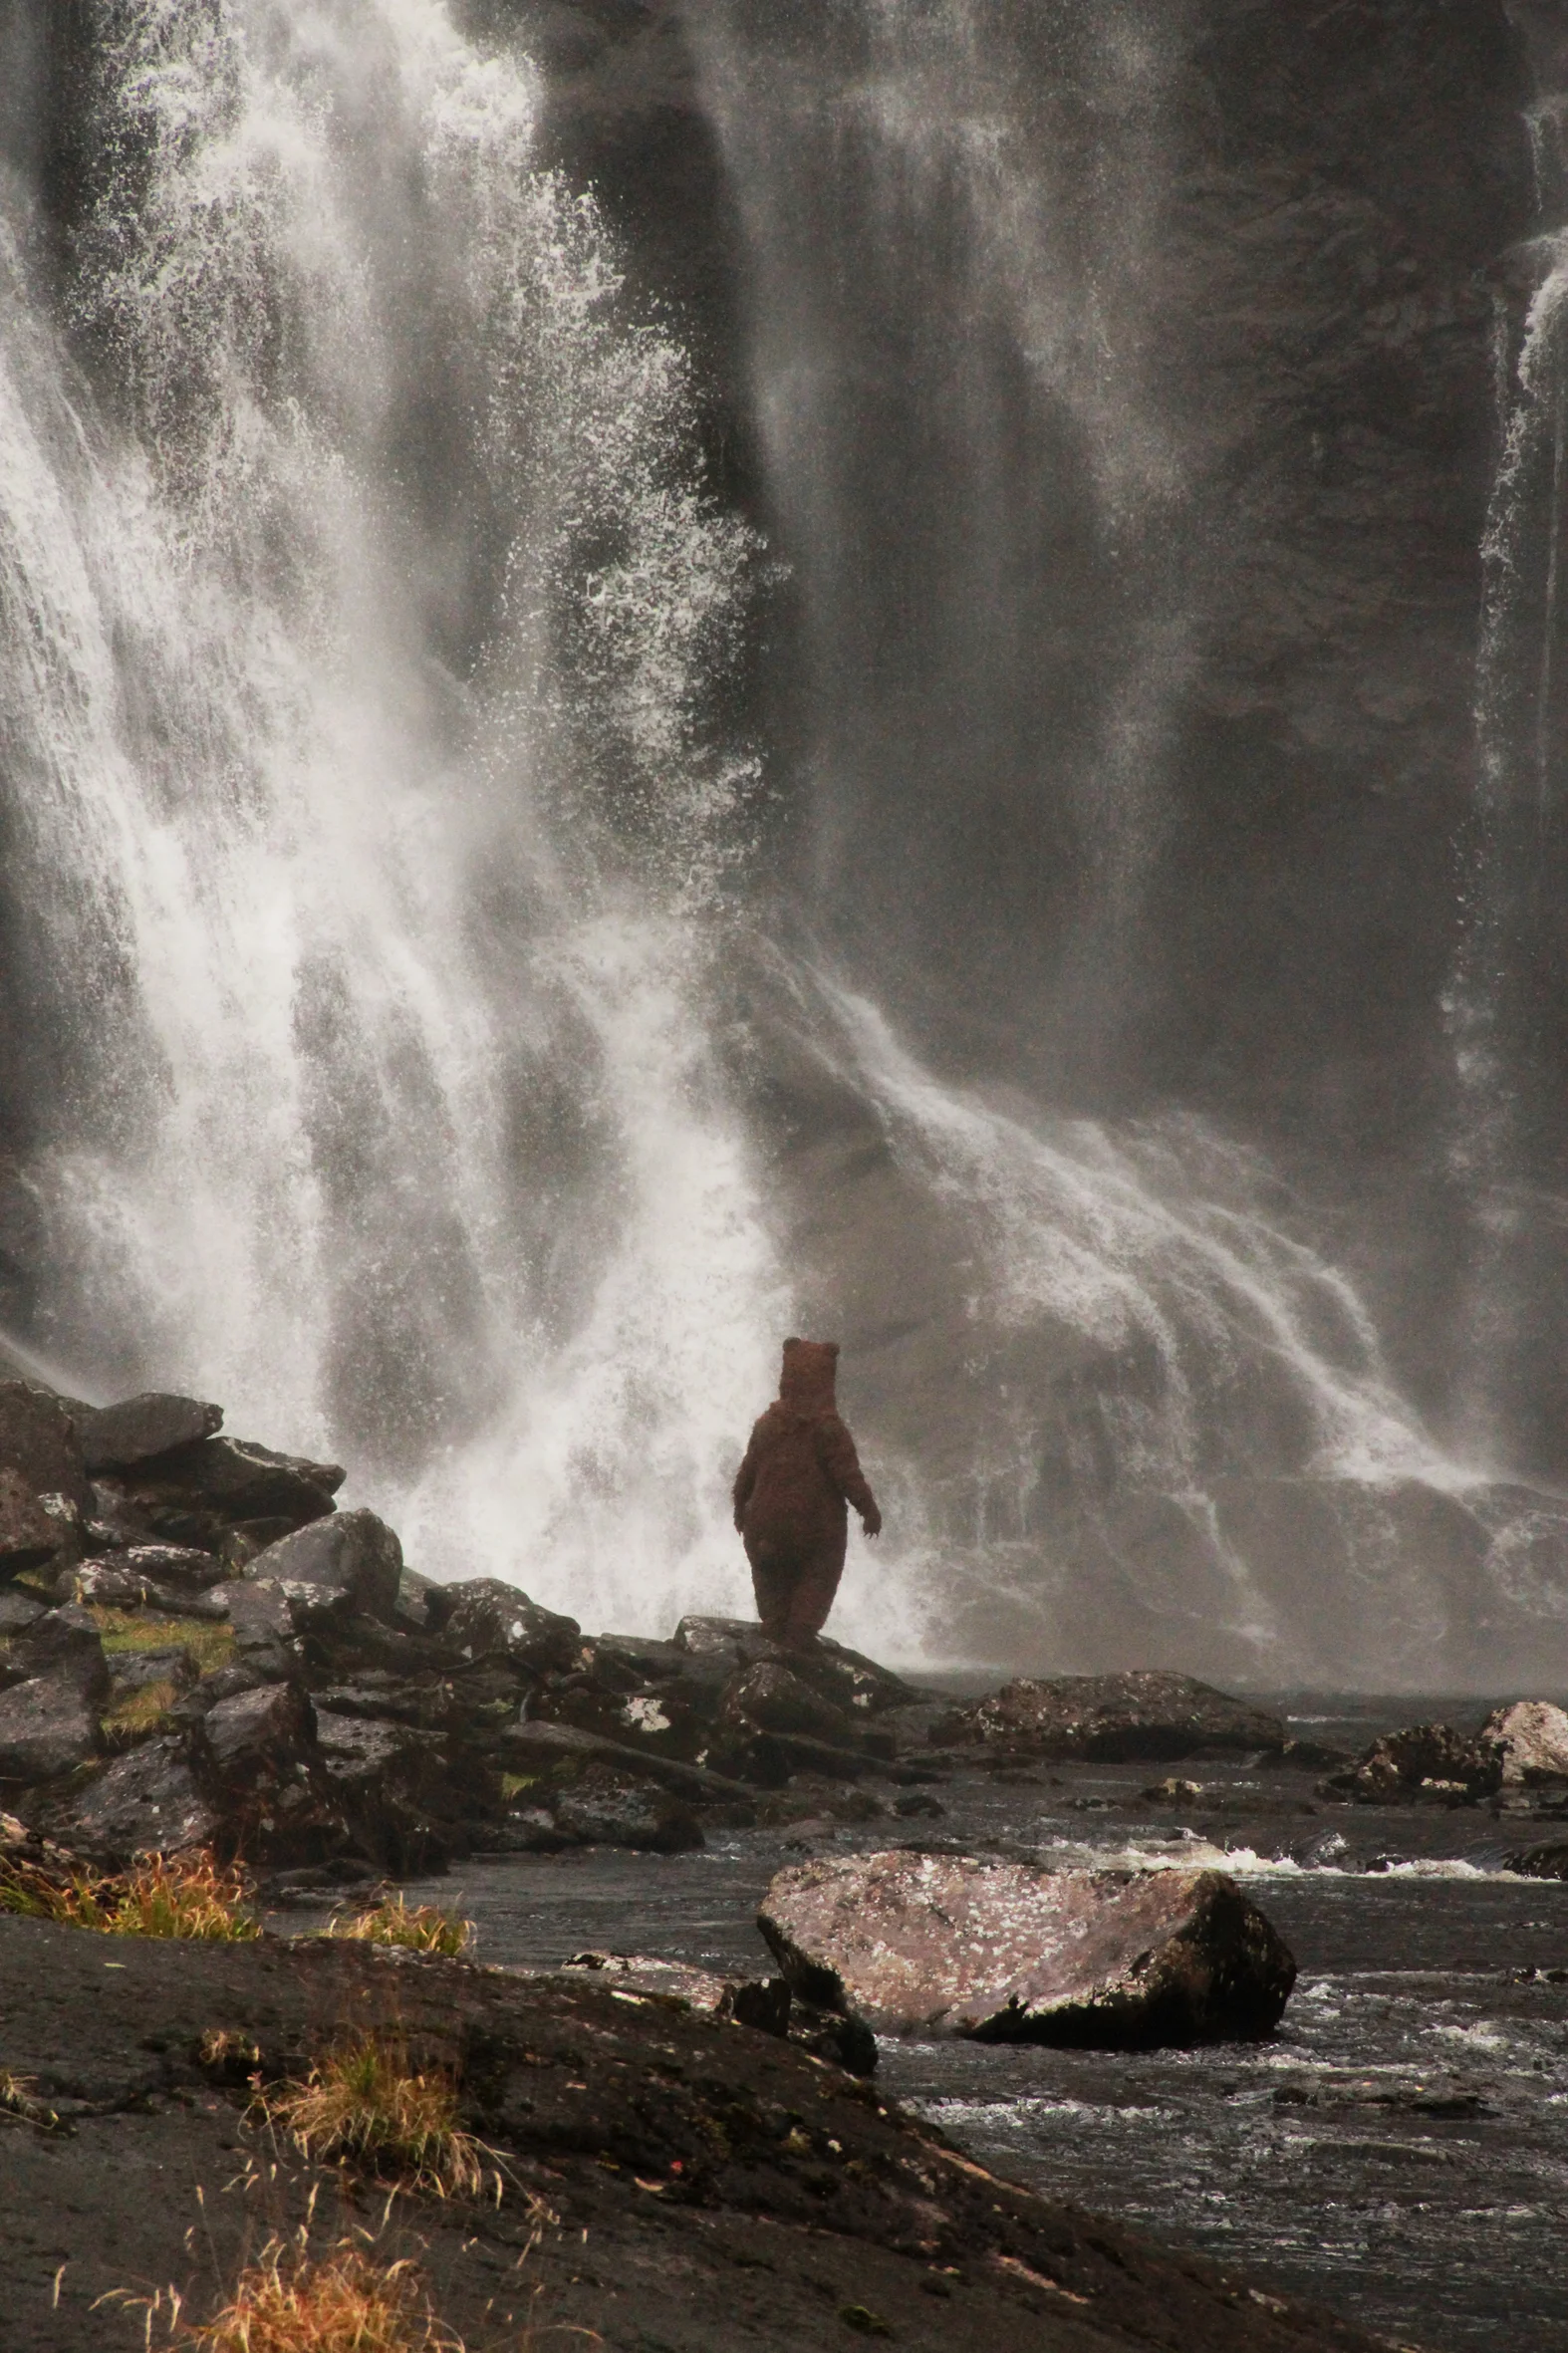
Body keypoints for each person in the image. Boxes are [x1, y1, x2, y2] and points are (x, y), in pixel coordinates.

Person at [731, 1337, 881, 1653]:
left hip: (764, 1527)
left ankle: (773, 1632)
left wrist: (739, 1509)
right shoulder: (829, 1429)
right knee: (818, 1576)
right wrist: (869, 1511)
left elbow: (747, 1471)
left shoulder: (766, 1424)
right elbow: (847, 1476)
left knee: (770, 1579)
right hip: (814, 1529)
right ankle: (798, 1640)